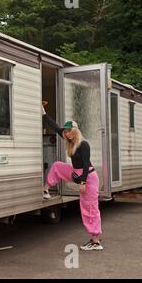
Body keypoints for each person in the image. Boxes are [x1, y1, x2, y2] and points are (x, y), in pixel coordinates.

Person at [42, 102, 103, 251]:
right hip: (76, 172)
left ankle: (95, 241)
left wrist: (82, 182)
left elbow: (87, 165)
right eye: (66, 131)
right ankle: (45, 190)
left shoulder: (83, 144)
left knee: (89, 207)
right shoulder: (69, 140)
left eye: (69, 131)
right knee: (57, 165)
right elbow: (55, 127)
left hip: (88, 177)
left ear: (75, 131)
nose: (67, 133)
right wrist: (43, 113)